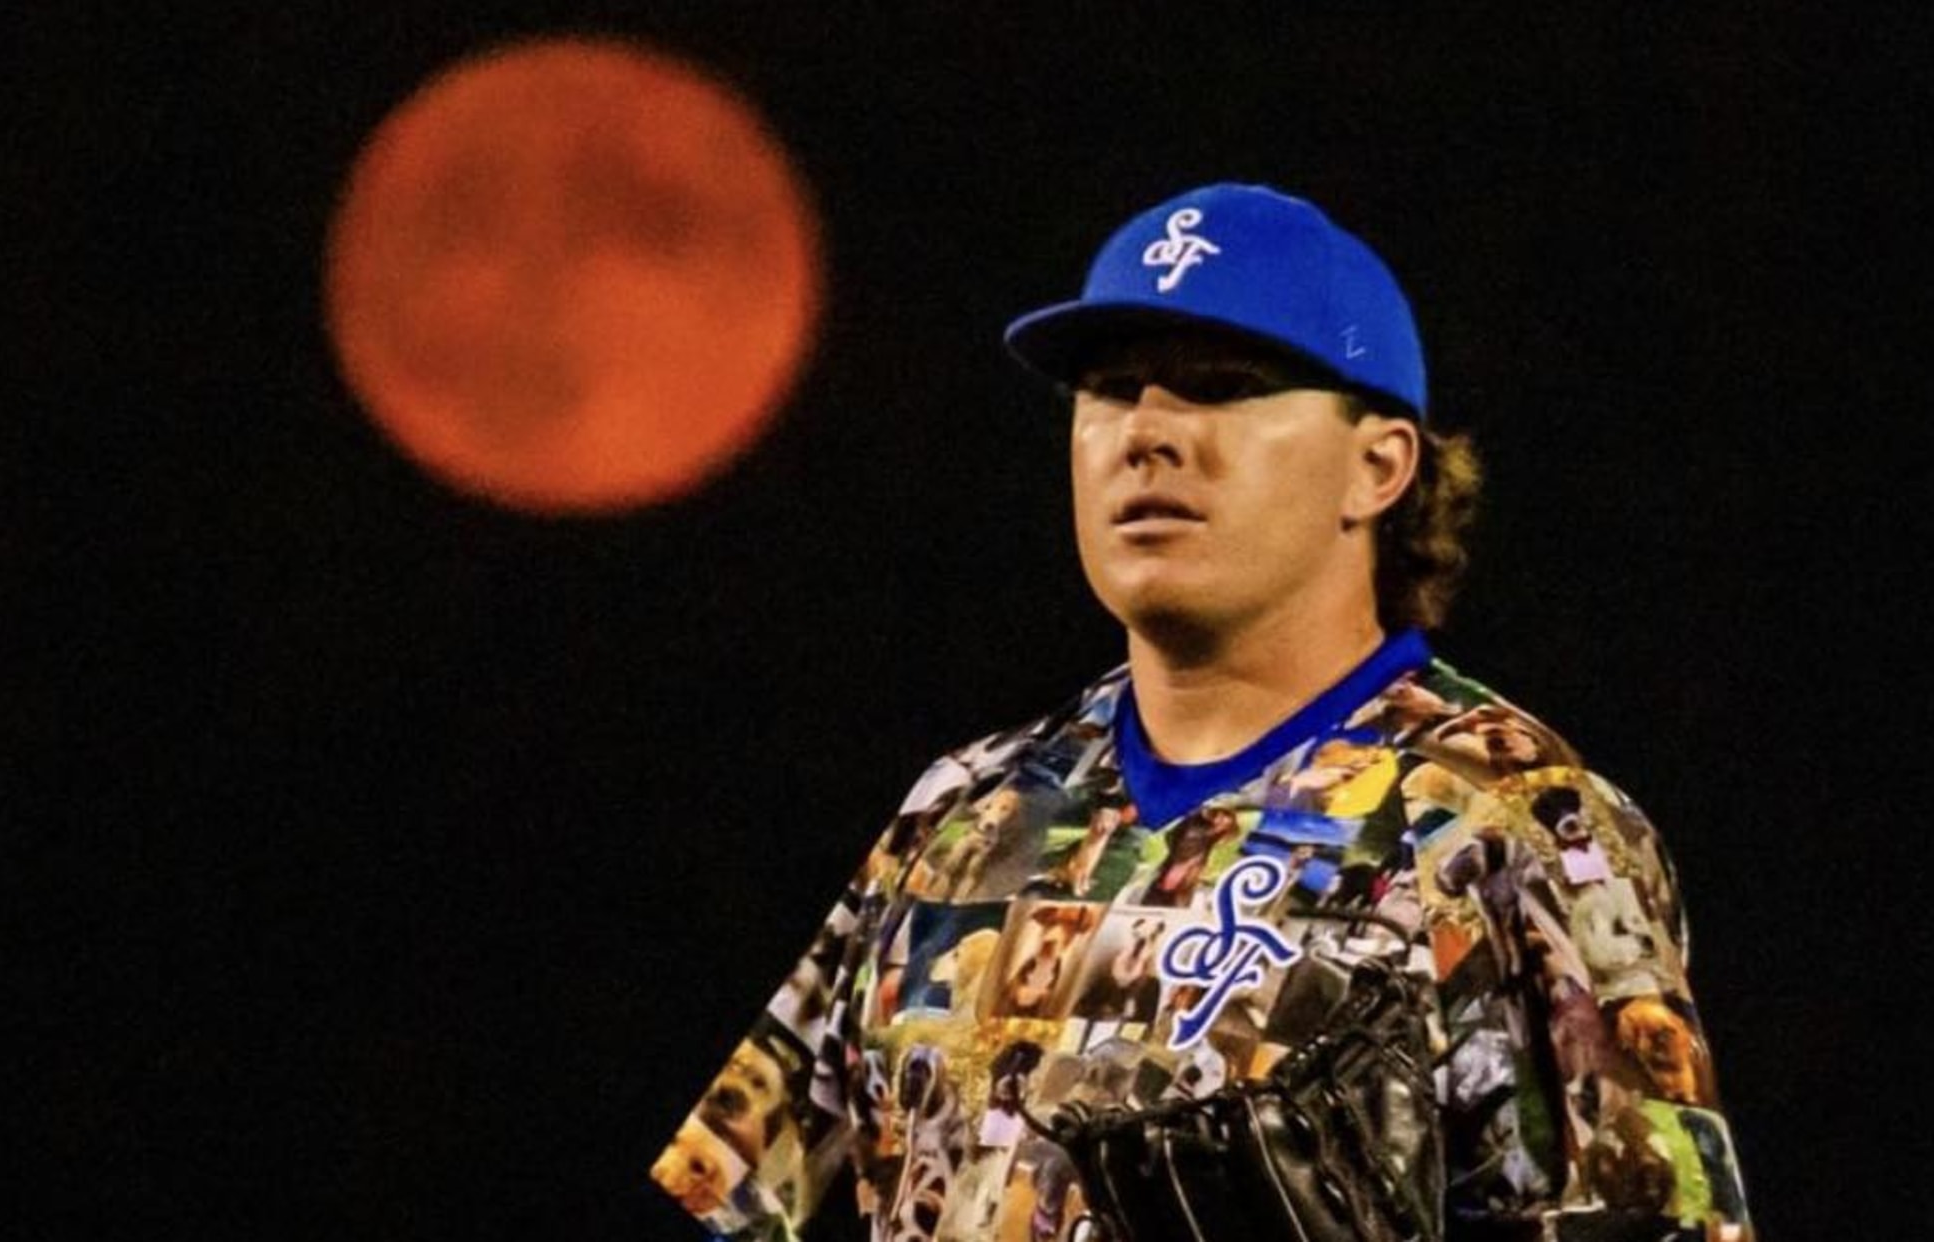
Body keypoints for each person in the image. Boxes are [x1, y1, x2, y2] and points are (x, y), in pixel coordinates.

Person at [651, 183, 1751, 1241]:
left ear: (1377, 468)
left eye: (1221, 386)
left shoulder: (1507, 824)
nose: (1147, 432)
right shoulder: (965, 814)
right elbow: (730, 1191)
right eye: (1111, 389)